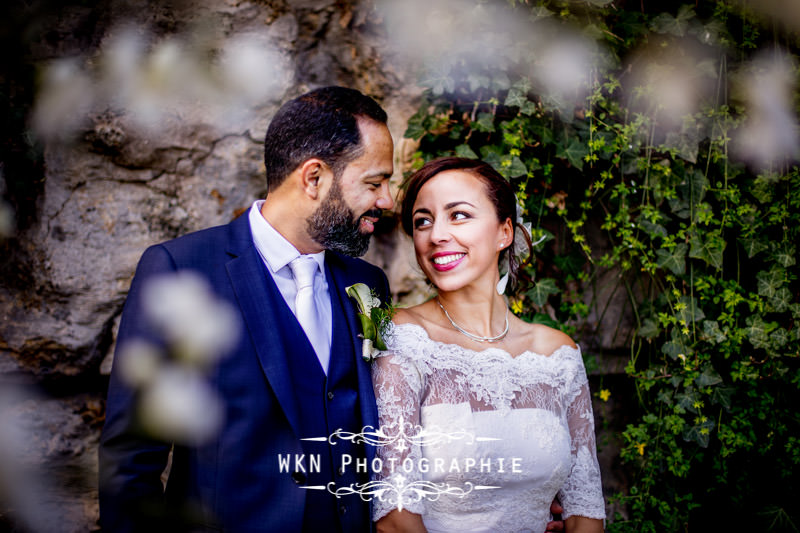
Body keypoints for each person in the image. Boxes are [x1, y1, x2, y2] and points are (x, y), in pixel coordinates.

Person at [99, 86, 396, 532]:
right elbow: (131, 458)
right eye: (374, 183)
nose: (387, 200)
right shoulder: (181, 270)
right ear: (313, 178)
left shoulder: (370, 285)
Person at [370, 157, 606, 533]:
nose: (436, 235)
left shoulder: (557, 353)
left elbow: (586, 510)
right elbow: (394, 516)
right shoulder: (401, 337)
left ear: (504, 232)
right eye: (423, 221)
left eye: (459, 215)